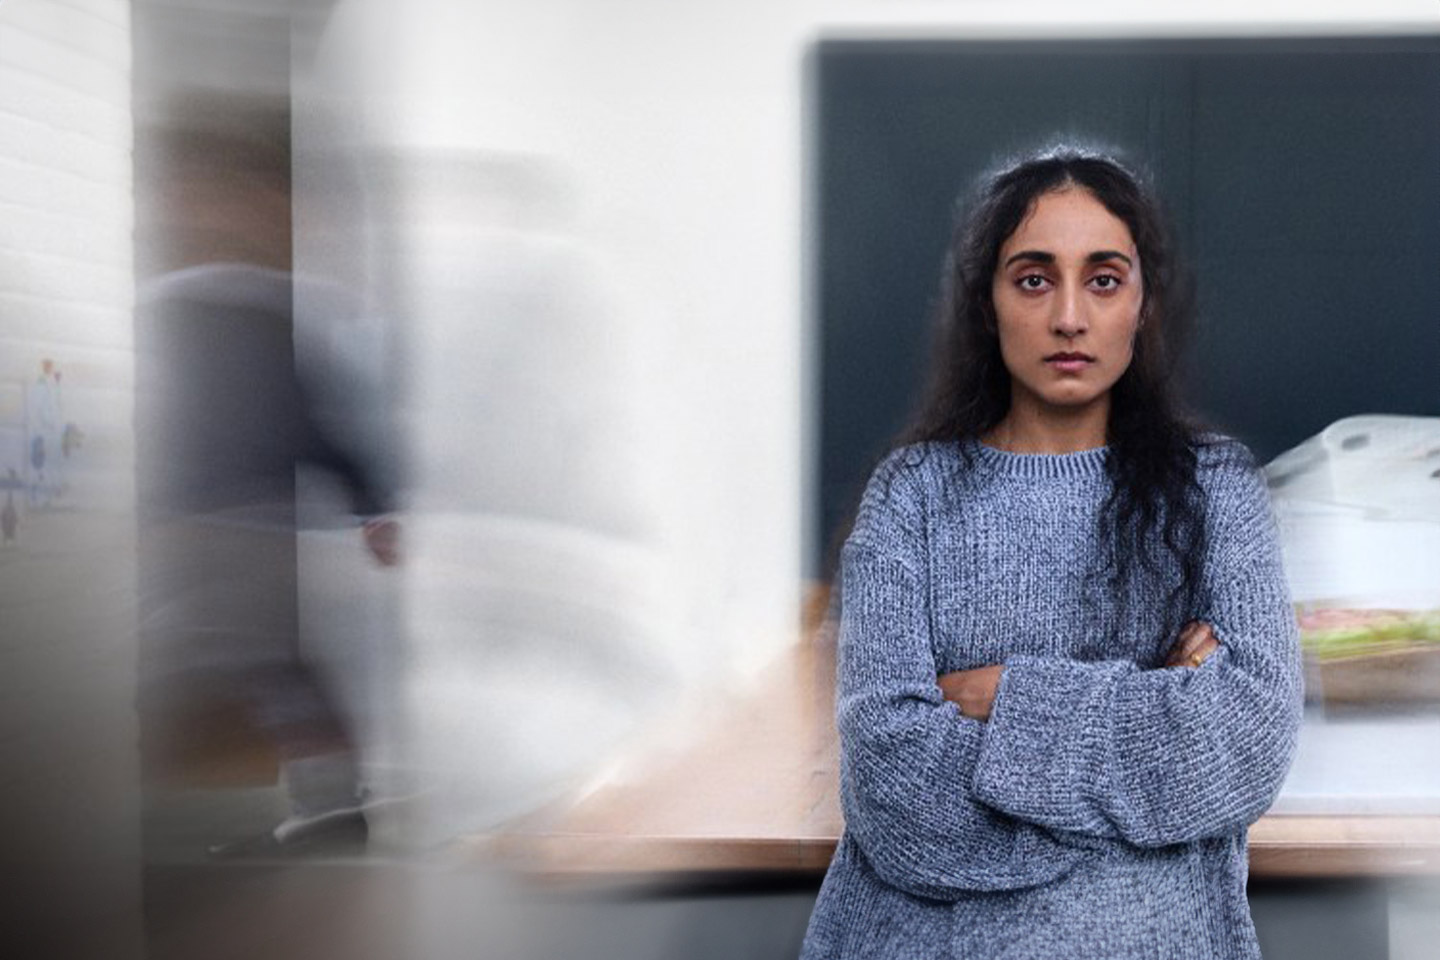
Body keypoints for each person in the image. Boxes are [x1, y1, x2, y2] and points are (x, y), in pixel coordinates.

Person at [799, 146, 1304, 959]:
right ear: (987, 304)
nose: (1069, 316)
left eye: (1103, 279)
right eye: (1034, 279)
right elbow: (893, 794)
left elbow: (1244, 745)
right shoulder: (911, 495)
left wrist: (1008, 697)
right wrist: (1157, 714)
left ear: (1142, 304)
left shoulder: (1217, 490)